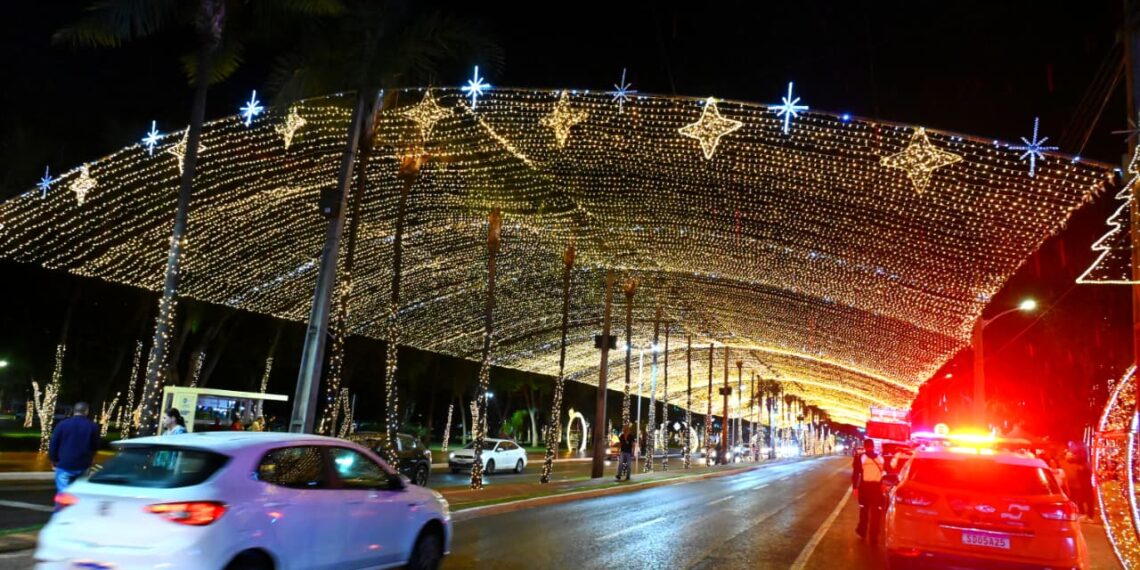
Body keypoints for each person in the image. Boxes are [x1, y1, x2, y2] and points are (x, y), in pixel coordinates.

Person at [48, 402, 101, 492]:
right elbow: (95, 446)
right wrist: (91, 459)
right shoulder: (93, 426)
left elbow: (54, 443)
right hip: (83, 464)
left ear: (74, 411)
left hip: (64, 464)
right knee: (79, 492)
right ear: (86, 411)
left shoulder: (62, 424)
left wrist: (53, 459)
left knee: (63, 494)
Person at [853, 438, 885, 542]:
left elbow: (856, 473)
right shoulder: (881, 459)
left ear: (865, 446)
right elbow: (884, 473)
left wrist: (855, 488)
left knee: (864, 510)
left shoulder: (861, 457)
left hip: (864, 488)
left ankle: (862, 530)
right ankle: (873, 536)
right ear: (873, 446)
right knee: (876, 513)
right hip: (877, 489)